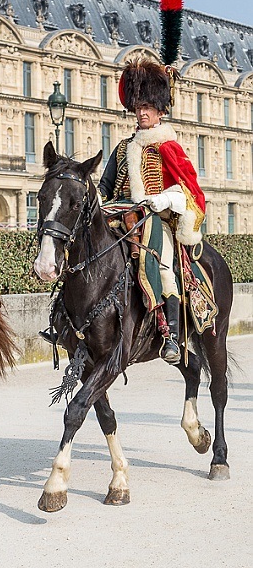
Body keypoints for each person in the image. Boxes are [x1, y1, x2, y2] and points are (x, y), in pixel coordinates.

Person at [99, 58, 205, 364]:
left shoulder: (168, 147)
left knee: (161, 264)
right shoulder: (122, 148)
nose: (141, 113)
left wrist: (165, 199)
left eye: (148, 107)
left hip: (155, 218)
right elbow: (105, 186)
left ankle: (170, 335)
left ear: (160, 110)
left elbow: (190, 189)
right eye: (138, 107)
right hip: (118, 216)